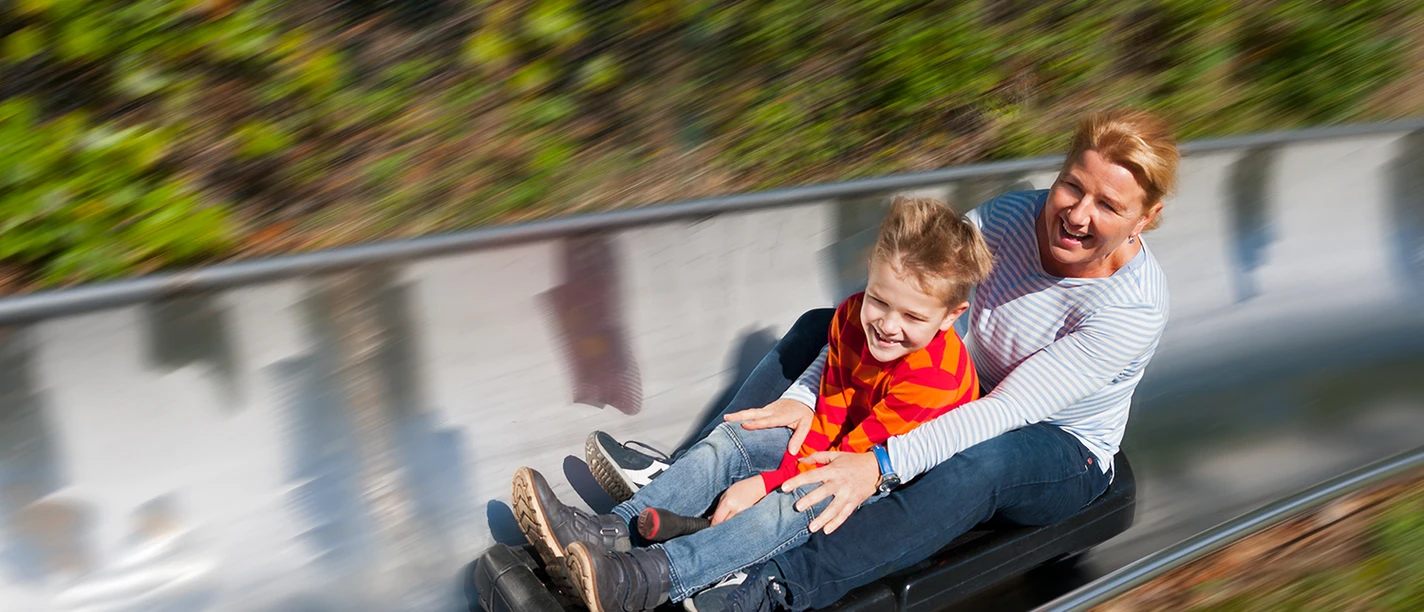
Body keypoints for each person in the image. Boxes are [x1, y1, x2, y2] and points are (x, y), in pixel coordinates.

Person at [586, 108, 1177, 611]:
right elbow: (909, 296)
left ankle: (770, 585)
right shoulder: (1008, 221)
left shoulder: (1130, 309)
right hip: (957, 387)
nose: (1077, 214)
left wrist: (875, 465)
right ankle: (686, 476)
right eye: (1073, 186)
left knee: (980, 462)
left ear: (1144, 218)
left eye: (1108, 204)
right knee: (829, 325)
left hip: (1052, 442)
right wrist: (803, 397)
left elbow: (1003, 413)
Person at [511, 196, 994, 612]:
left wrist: (765, 486)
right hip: (845, 445)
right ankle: (611, 531)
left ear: (951, 317)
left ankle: (646, 578)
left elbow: (848, 466)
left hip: (890, 476)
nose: (887, 325)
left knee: (798, 503)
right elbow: (832, 403)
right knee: (736, 440)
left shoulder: (934, 377)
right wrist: (765, 467)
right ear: (868, 274)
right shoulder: (851, 317)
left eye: (912, 315)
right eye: (879, 301)